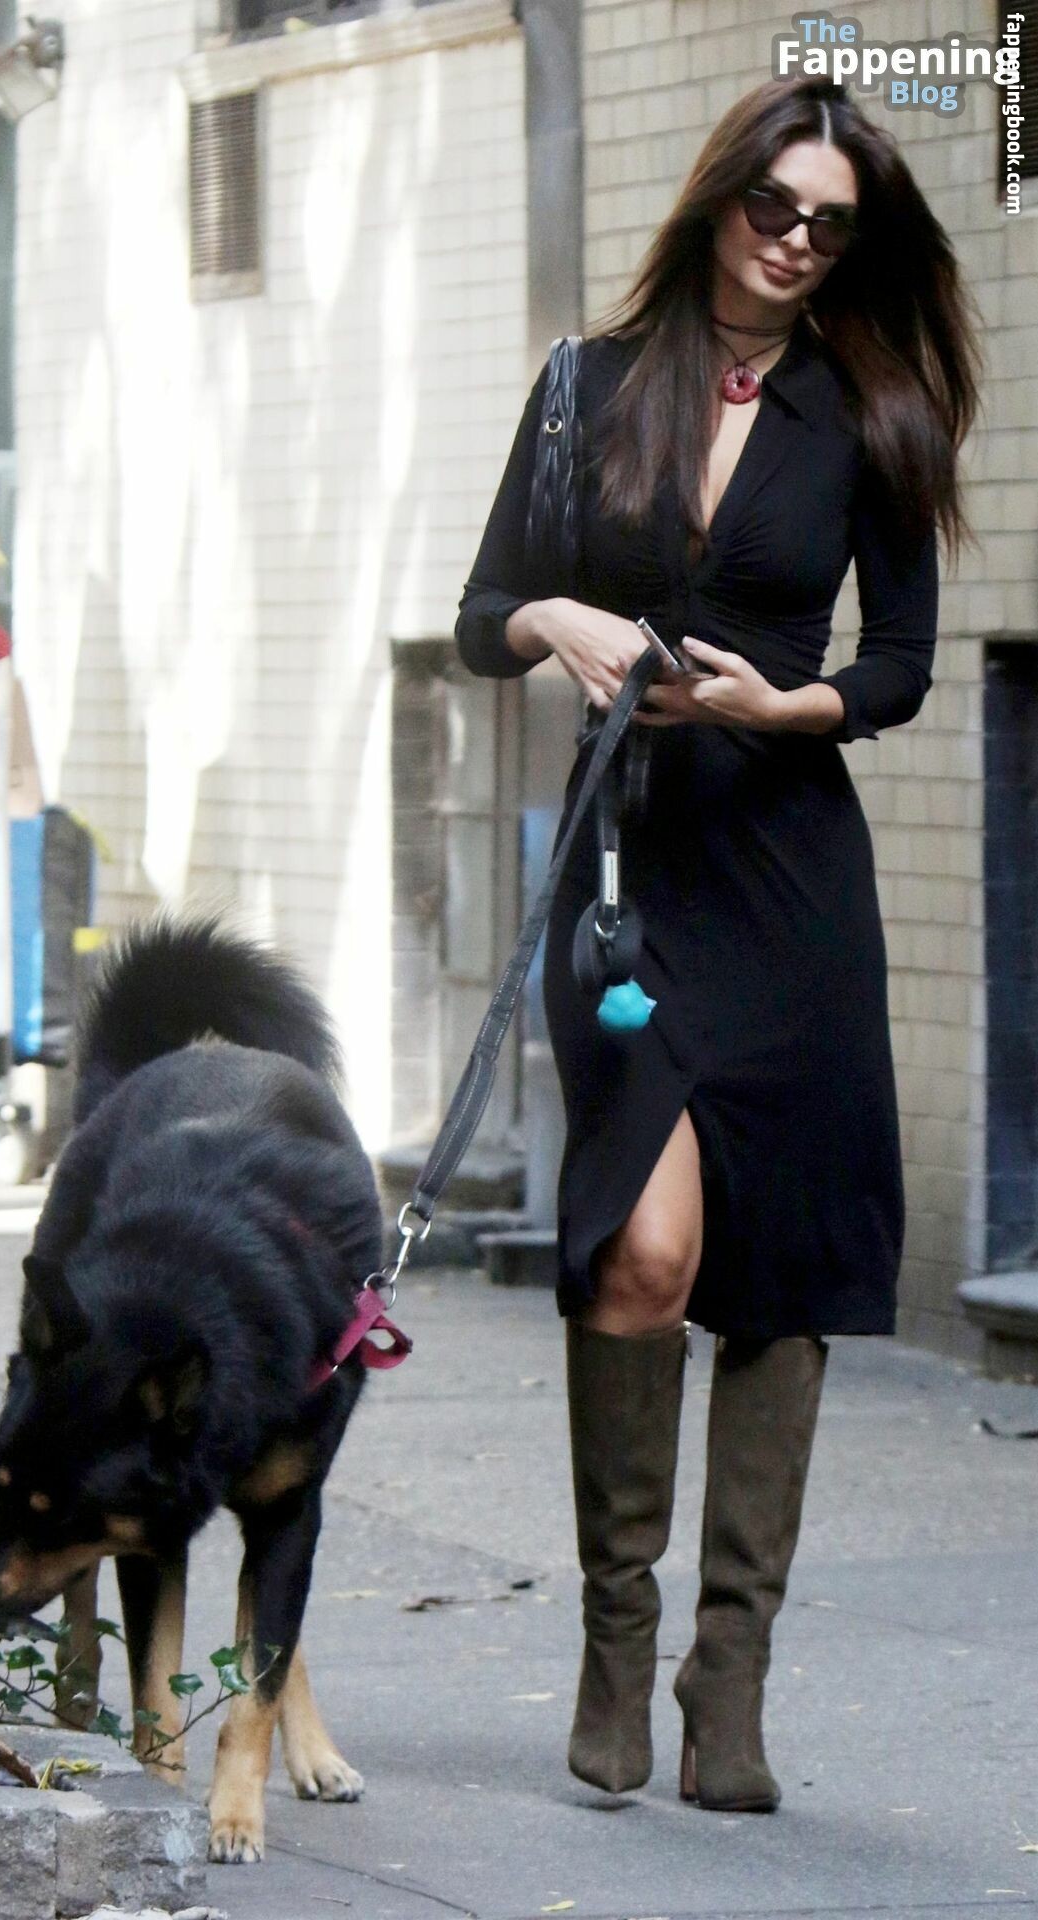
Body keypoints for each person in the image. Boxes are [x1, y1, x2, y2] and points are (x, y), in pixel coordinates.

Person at [454, 77, 980, 1813]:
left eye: (830, 223)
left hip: (790, 879)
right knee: (646, 1255)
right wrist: (557, 614)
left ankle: (725, 1677)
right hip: (626, 875)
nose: (795, 241)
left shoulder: (869, 412)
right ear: (717, 198)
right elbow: (479, 616)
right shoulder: (586, 386)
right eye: (774, 206)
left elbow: (898, 666)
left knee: (785, 1280)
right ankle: (617, 1640)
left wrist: (779, 704)